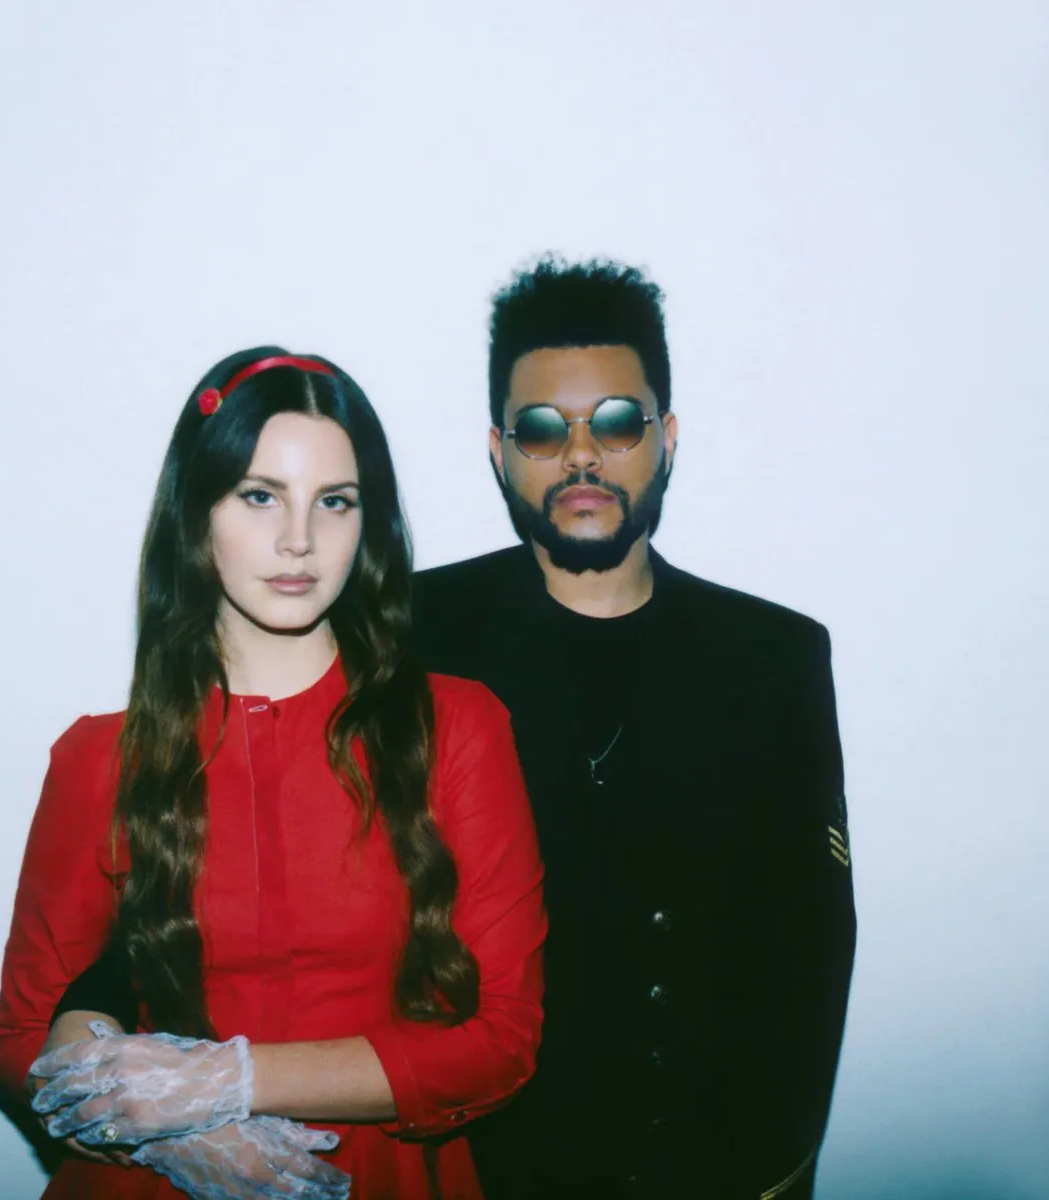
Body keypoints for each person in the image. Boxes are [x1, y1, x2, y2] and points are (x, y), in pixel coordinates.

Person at [55, 257, 858, 1198]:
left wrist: (774, 1173)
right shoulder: (406, 634)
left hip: (703, 1166)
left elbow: (809, 951)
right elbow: (192, 874)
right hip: (482, 1163)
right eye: (542, 429)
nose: (582, 457)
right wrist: (128, 1070)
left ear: (666, 438)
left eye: (617, 422)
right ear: (499, 450)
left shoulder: (771, 655)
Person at [0, 348, 547, 1200]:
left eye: (335, 501)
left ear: (368, 523)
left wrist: (224, 1083)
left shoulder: (457, 728)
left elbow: (503, 1040)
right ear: (196, 512)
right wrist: (173, 1138)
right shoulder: (100, 758)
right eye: (260, 496)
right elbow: (23, 1035)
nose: (299, 540)